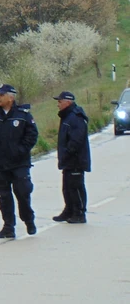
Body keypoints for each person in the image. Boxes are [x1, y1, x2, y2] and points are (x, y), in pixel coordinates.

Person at [0, 83, 38, 239]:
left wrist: (20, 151)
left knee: (22, 193)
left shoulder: (23, 115)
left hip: (19, 164)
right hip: (1, 164)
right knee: (4, 197)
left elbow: (32, 136)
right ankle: (8, 227)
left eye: (2, 94)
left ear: (11, 97)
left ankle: (29, 220)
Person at [52, 91, 91, 224]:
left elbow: (77, 140)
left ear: (68, 102)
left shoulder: (76, 117)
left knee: (76, 186)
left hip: (76, 160)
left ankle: (79, 213)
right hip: (68, 160)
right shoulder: (67, 116)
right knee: (67, 187)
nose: (58, 104)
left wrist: (68, 152)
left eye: (60, 101)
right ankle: (69, 210)